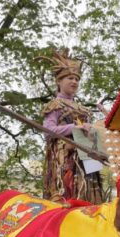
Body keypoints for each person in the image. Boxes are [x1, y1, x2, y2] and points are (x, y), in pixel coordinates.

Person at [40, 50, 104, 204]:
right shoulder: (55, 105)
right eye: (70, 78)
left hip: (87, 159)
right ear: (59, 81)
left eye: (76, 79)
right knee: (66, 196)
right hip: (65, 159)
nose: (74, 81)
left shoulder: (84, 109)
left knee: (90, 198)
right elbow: (48, 132)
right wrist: (74, 127)